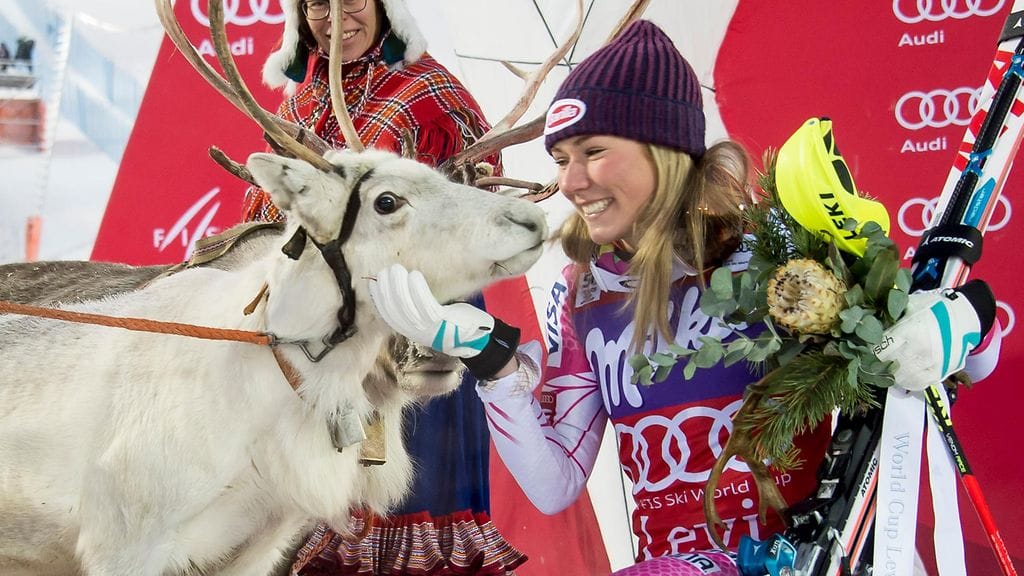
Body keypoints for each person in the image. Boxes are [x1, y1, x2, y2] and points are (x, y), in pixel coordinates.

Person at [367, 20, 1002, 575]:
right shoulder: (586, 294)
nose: (572, 180)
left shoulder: (775, 253)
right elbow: (553, 482)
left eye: (593, 151)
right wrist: (492, 365)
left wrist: (962, 320)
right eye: (562, 158)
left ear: (663, 150)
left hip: (805, 559)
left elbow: (949, 351)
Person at [247, 0, 524, 574]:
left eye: (354, 1)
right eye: (317, 4)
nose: (335, 16)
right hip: (325, 344)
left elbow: (488, 197)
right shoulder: (296, 105)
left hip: (421, 330)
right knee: (312, 519)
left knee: (413, 505)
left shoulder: (427, 87)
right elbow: (263, 226)